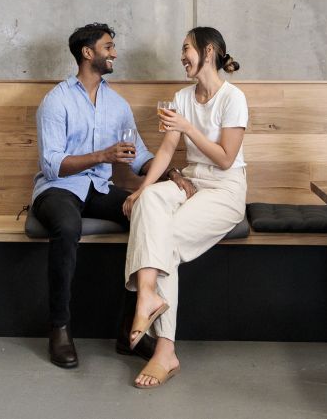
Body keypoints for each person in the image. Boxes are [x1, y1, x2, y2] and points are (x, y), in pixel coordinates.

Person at [122, 27, 248, 388]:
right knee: (148, 200)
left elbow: (225, 159)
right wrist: (141, 189)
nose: (182, 56)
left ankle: (165, 349)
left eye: (186, 49)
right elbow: (165, 152)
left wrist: (188, 128)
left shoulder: (233, 97)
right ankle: (147, 295)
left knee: (168, 240)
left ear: (209, 51)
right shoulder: (181, 96)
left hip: (224, 190)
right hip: (191, 182)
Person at [32, 23, 156, 368]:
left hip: (98, 189)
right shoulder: (56, 100)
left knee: (148, 215)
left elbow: (139, 156)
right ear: (88, 53)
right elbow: (52, 164)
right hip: (57, 190)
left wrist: (168, 172)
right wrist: (103, 155)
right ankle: (59, 329)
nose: (114, 53)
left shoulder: (117, 104)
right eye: (108, 47)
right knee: (68, 226)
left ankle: (131, 333)